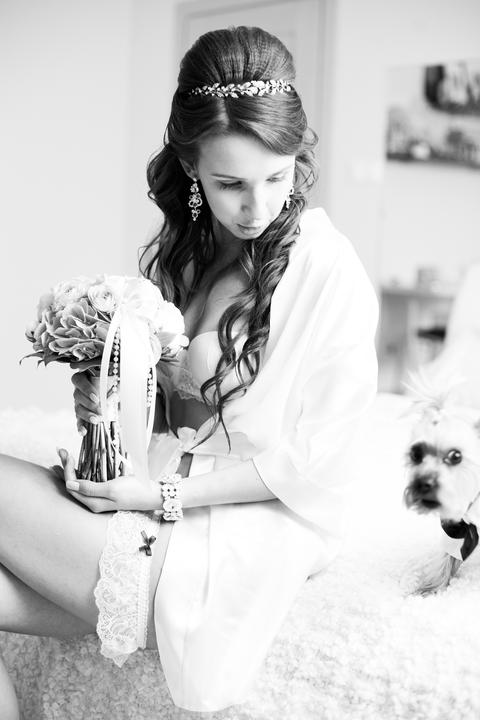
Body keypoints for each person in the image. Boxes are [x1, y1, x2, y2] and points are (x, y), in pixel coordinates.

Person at [0, 25, 378, 716]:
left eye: (277, 176)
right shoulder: (190, 254)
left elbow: (320, 465)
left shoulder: (326, 268)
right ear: (191, 169)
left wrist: (157, 497)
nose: (258, 208)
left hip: (232, 534)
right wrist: (107, 412)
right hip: (157, 504)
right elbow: (174, 425)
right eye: (230, 184)